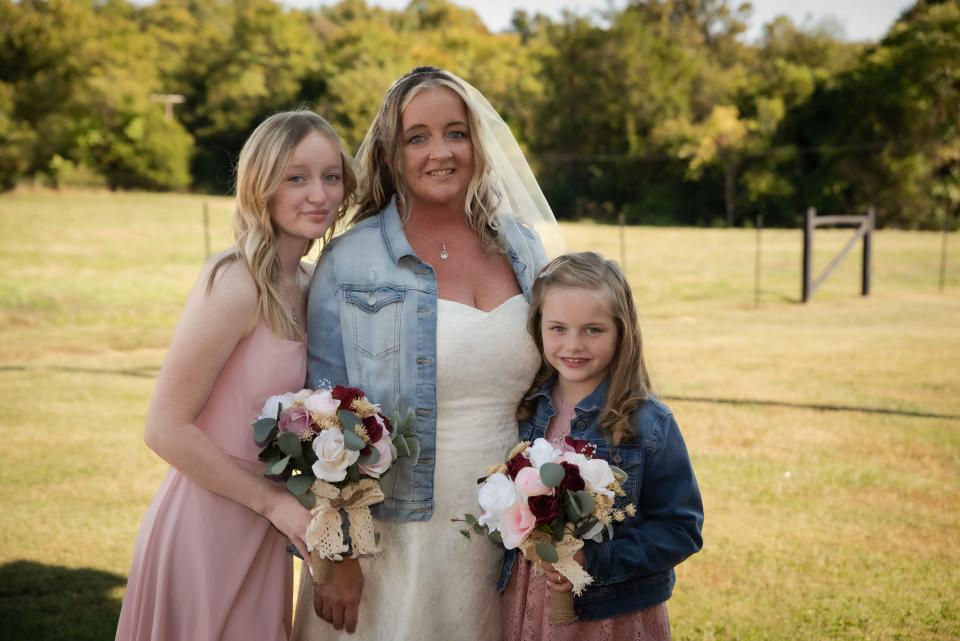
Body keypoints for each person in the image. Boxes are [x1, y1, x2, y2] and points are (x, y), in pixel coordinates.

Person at [293, 67, 563, 641]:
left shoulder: (522, 245)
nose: (439, 152)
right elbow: (321, 422)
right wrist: (336, 557)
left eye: (455, 133)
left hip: (509, 523)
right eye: (418, 137)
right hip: (392, 534)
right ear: (392, 154)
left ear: (478, 142)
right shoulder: (350, 261)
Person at [115, 110, 357, 641]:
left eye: (331, 176)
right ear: (261, 185)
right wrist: (274, 504)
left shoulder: (312, 284)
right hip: (207, 523)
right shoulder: (236, 282)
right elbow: (164, 427)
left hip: (267, 532)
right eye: (296, 177)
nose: (319, 194)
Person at [499, 252, 704, 641]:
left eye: (593, 330)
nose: (573, 344)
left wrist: (592, 559)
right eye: (558, 328)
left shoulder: (648, 423)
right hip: (529, 597)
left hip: (608, 612)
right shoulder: (527, 407)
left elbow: (681, 528)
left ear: (621, 331)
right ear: (538, 327)